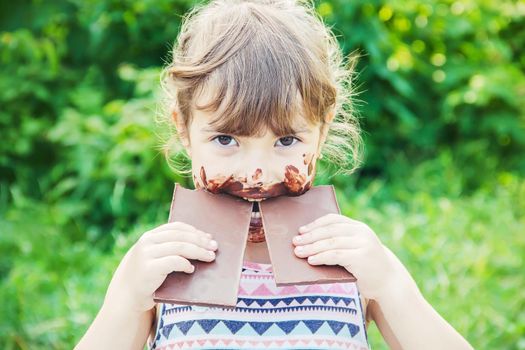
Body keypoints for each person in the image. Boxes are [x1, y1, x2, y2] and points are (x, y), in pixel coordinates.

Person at [75, 0, 474, 349]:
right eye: (226, 139)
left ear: (321, 130)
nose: (256, 174)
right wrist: (127, 299)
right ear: (184, 129)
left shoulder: (354, 265)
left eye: (286, 140)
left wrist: (390, 285)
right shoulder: (162, 270)